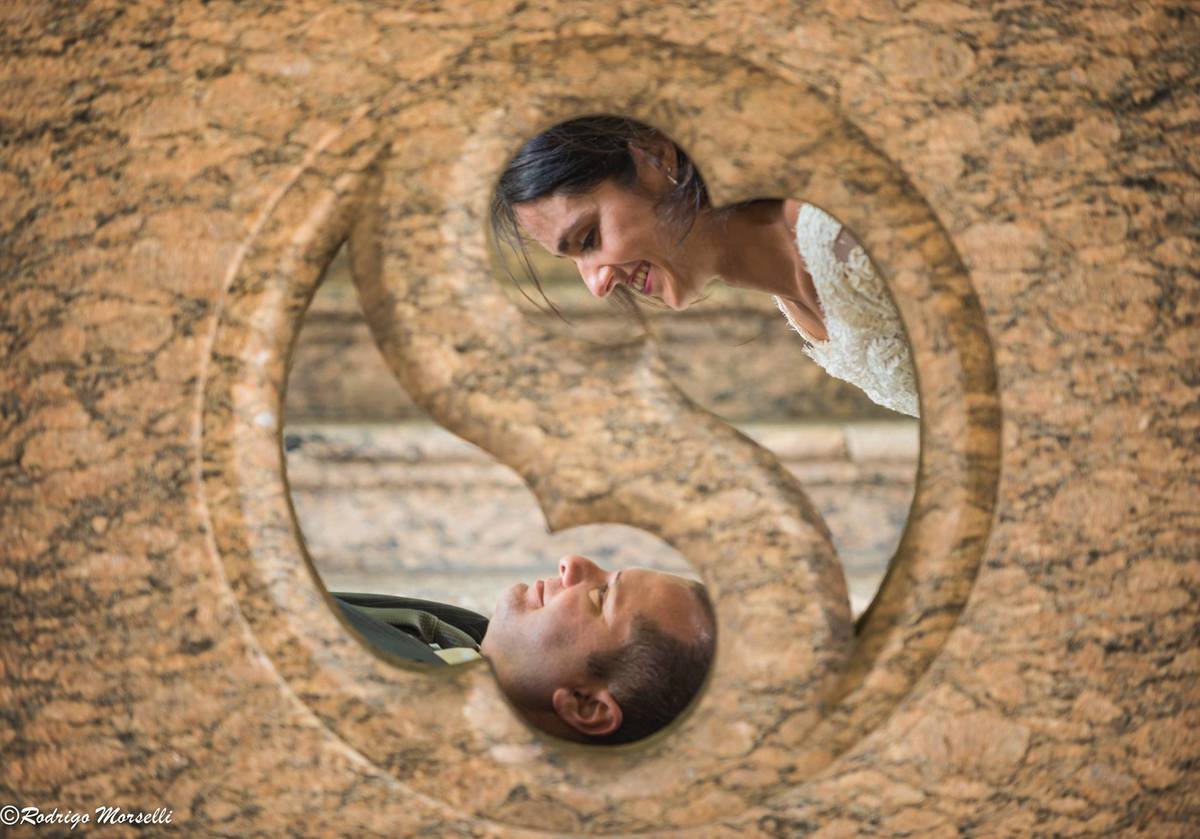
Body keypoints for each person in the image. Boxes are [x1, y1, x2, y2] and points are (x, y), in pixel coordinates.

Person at [491, 115, 919, 417]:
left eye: (589, 239)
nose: (596, 286)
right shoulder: (790, 289)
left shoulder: (841, 236)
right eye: (573, 261)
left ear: (655, 158)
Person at [334, 554, 716, 746]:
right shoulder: (463, 634)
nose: (572, 563)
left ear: (586, 705)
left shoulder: (394, 720)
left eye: (600, 596)